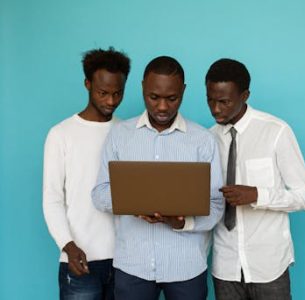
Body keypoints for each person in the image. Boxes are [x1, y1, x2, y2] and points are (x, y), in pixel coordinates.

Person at [91, 56, 224, 300]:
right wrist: (133, 202)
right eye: (154, 97)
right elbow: (99, 194)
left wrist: (181, 222)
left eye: (172, 98)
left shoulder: (203, 140)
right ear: (142, 87)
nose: (162, 107)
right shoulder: (120, 135)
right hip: (133, 266)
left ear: (183, 91)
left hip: (186, 267)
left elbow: (216, 206)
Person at [205, 58, 305, 300]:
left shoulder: (276, 132)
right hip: (226, 265)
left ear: (245, 95)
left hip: (269, 265)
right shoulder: (207, 139)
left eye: (224, 101)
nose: (215, 109)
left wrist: (258, 195)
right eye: (210, 100)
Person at [43, 47, 131, 299]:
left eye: (118, 93)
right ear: (87, 84)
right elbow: (52, 199)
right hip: (79, 259)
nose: (111, 101)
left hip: (125, 262)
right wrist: (67, 245)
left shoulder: (127, 132)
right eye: (103, 93)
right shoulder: (61, 134)